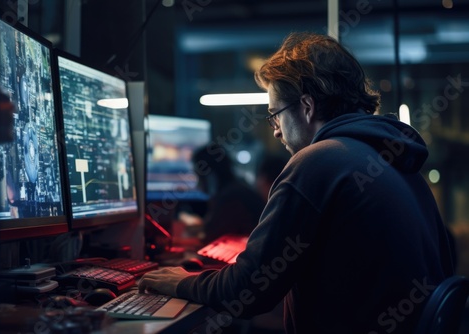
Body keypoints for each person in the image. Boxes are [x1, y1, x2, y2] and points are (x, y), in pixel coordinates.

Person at [139, 32, 456, 334]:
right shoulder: (398, 162)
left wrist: (179, 281)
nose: (276, 131)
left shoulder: (319, 161)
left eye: (275, 115)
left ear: (306, 107)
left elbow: (248, 291)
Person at [178, 142, 265, 246]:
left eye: (198, 175)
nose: (197, 183)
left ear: (209, 177)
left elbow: (210, 238)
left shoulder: (230, 198)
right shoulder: (237, 189)